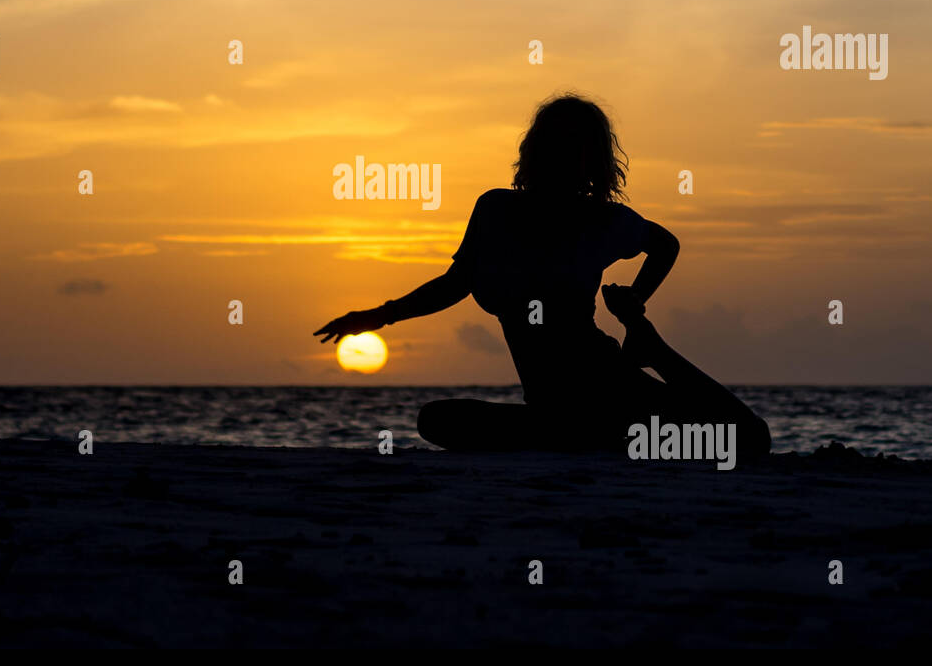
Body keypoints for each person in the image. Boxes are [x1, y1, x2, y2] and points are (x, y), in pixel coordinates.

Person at [313, 93, 770, 458]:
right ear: (537, 150)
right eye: (559, 145)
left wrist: (635, 302)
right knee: (435, 419)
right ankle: (584, 435)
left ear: (592, 160)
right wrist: (378, 316)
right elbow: (456, 283)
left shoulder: (602, 220)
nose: (568, 158)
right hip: (551, 409)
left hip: (609, 387)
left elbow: (665, 244)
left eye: (579, 149)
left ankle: (654, 352)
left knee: (747, 440)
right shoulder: (497, 209)